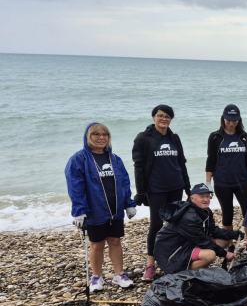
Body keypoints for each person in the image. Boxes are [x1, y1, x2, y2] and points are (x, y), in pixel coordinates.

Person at [65, 122, 136, 291]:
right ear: (88, 137)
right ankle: (96, 277)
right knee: (96, 244)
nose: (101, 138)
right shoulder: (78, 159)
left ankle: (119, 274)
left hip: (115, 210)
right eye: (96, 134)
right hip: (94, 211)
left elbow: (124, 182)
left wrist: (129, 204)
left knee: (115, 241)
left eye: (105, 135)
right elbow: (75, 186)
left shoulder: (115, 159)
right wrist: (79, 211)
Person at [132, 104, 191, 281]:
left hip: (176, 187)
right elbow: (139, 166)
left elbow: (181, 163)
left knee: (174, 224)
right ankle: (150, 265)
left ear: (171, 119)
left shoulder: (175, 138)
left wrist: (188, 188)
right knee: (156, 225)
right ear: (154, 117)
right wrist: (141, 191)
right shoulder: (144, 138)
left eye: (167, 116)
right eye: (160, 115)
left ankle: (172, 260)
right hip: (156, 189)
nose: (163, 119)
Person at [154, 184, 243, 274]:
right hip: (173, 252)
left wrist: (233, 234)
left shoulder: (205, 211)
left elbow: (213, 230)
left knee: (225, 241)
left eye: (208, 196)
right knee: (210, 255)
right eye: (202, 196)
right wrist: (225, 254)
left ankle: (198, 266)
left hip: (190, 243)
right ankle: (182, 273)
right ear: (192, 198)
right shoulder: (189, 217)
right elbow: (203, 241)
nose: (206, 199)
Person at [205, 104, 247, 250]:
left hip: (242, 181)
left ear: (239, 120)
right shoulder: (215, 137)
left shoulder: (243, 136)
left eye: (234, 120)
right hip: (222, 183)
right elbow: (211, 160)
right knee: (227, 215)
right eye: (228, 120)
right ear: (223, 119)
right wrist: (208, 183)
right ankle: (230, 244)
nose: (231, 123)